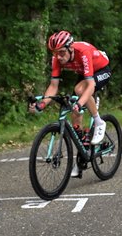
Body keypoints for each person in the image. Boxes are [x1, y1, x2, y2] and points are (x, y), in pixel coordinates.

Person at [29, 30, 112, 176]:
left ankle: (99, 122)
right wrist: (41, 105)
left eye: (61, 52)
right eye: (54, 53)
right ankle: (82, 155)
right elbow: (53, 87)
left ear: (71, 48)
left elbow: (90, 85)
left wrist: (80, 103)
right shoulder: (56, 58)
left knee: (80, 90)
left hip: (101, 69)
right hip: (84, 72)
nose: (58, 57)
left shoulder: (83, 52)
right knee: (75, 115)